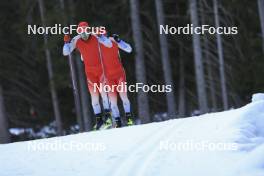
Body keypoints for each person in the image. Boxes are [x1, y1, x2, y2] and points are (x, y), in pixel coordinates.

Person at [63, 21, 113, 130]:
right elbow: (66, 52)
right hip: (90, 72)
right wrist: (66, 43)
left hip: (101, 70)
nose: (84, 35)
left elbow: (109, 44)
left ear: (88, 30)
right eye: (81, 33)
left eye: (85, 32)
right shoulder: (76, 40)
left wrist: (102, 37)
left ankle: (108, 117)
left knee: (104, 93)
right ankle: (99, 121)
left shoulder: (95, 36)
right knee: (94, 98)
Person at [99, 33, 134, 127]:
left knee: (124, 97)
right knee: (113, 101)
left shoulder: (113, 40)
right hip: (108, 77)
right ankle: (118, 122)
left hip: (119, 75)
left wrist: (120, 41)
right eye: (99, 35)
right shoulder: (97, 45)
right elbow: (84, 57)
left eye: (103, 35)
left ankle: (129, 118)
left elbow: (129, 49)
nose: (101, 37)